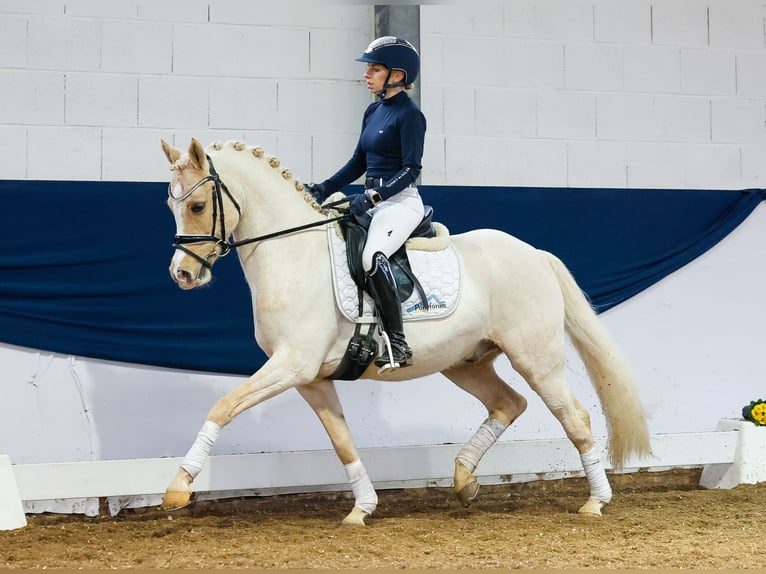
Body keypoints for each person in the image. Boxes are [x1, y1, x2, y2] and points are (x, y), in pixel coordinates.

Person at [307, 36, 426, 369]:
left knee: (372, 256)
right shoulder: (373, 110)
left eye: (375, 69)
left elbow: (411, 170)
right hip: (370, 201)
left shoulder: (410, 116)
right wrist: (324, 187)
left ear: (398, 75)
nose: (366, 75)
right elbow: (358, 161)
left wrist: (374, 195)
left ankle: (398, 344)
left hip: (399, 202)